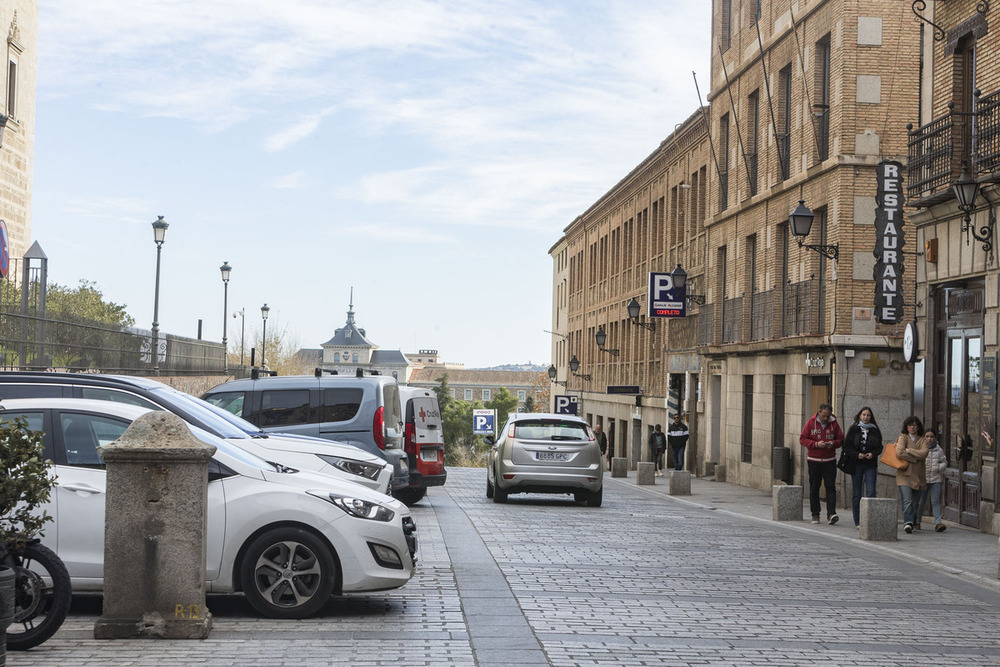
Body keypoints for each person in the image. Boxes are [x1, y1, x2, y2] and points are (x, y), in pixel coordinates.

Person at [799, 402, 844, 525]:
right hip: (814, 460)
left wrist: (833, 443)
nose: (825, 419)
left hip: (829, 460)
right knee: (814, 487)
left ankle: (831, 514)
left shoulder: (834, 424)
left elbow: (840, 439)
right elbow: (802, 439)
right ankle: (815, 514)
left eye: (827, 416)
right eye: (823, 416)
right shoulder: (810, 423)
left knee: (830, 487)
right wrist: (815, 444)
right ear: (819, 412)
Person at [841, 406, 883, 528]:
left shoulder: (875, 430)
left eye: (868, 415)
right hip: (857, 464)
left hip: (870, 464)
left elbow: (880, 447)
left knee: (870, 492)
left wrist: (873, 454)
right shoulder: (854, 429)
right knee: (857, 493)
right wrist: (856, 454)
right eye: (864, 415)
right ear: (860, 415)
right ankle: (858, 521)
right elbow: (846, 447)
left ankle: (870, 519)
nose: (866, 417)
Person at [895, 416, 929, 533]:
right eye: (910, 425)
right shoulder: (903, 437)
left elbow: (924, 453)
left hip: (918, 475)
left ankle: (913, 521)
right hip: (904, 474)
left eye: (915, 425)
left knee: (915, 502)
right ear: (906, 426)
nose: (912, 427)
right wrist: (914, 459)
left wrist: (909, 450)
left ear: (918, 427)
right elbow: (899, 452)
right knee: (907, 500)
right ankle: (908, 522)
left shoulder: (923, 440)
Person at [920, 428, 947, 532]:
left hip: (936, 479)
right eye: (927, 436)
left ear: (935, 438)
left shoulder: (939, 450)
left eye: (931, 436)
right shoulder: (921, 448)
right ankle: (917, 521)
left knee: (935, 501)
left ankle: (938, 523)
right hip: (924, 479)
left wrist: (938, 468)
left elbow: (944, 462)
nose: (929, 439)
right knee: (921, 501)